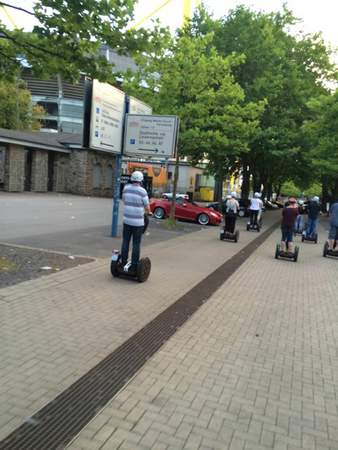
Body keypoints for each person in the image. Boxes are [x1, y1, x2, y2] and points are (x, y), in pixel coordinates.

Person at [121, 171, 151, 272]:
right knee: (136, 244)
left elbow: (124, 200)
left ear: (132, 179)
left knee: (125, 241)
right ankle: (134, 265)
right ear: (141, 180)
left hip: (127, 220)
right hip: (138, 223)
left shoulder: (126, 188)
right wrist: (149, 212)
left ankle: (123, 262)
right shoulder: (142, 191)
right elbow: (147, 207)